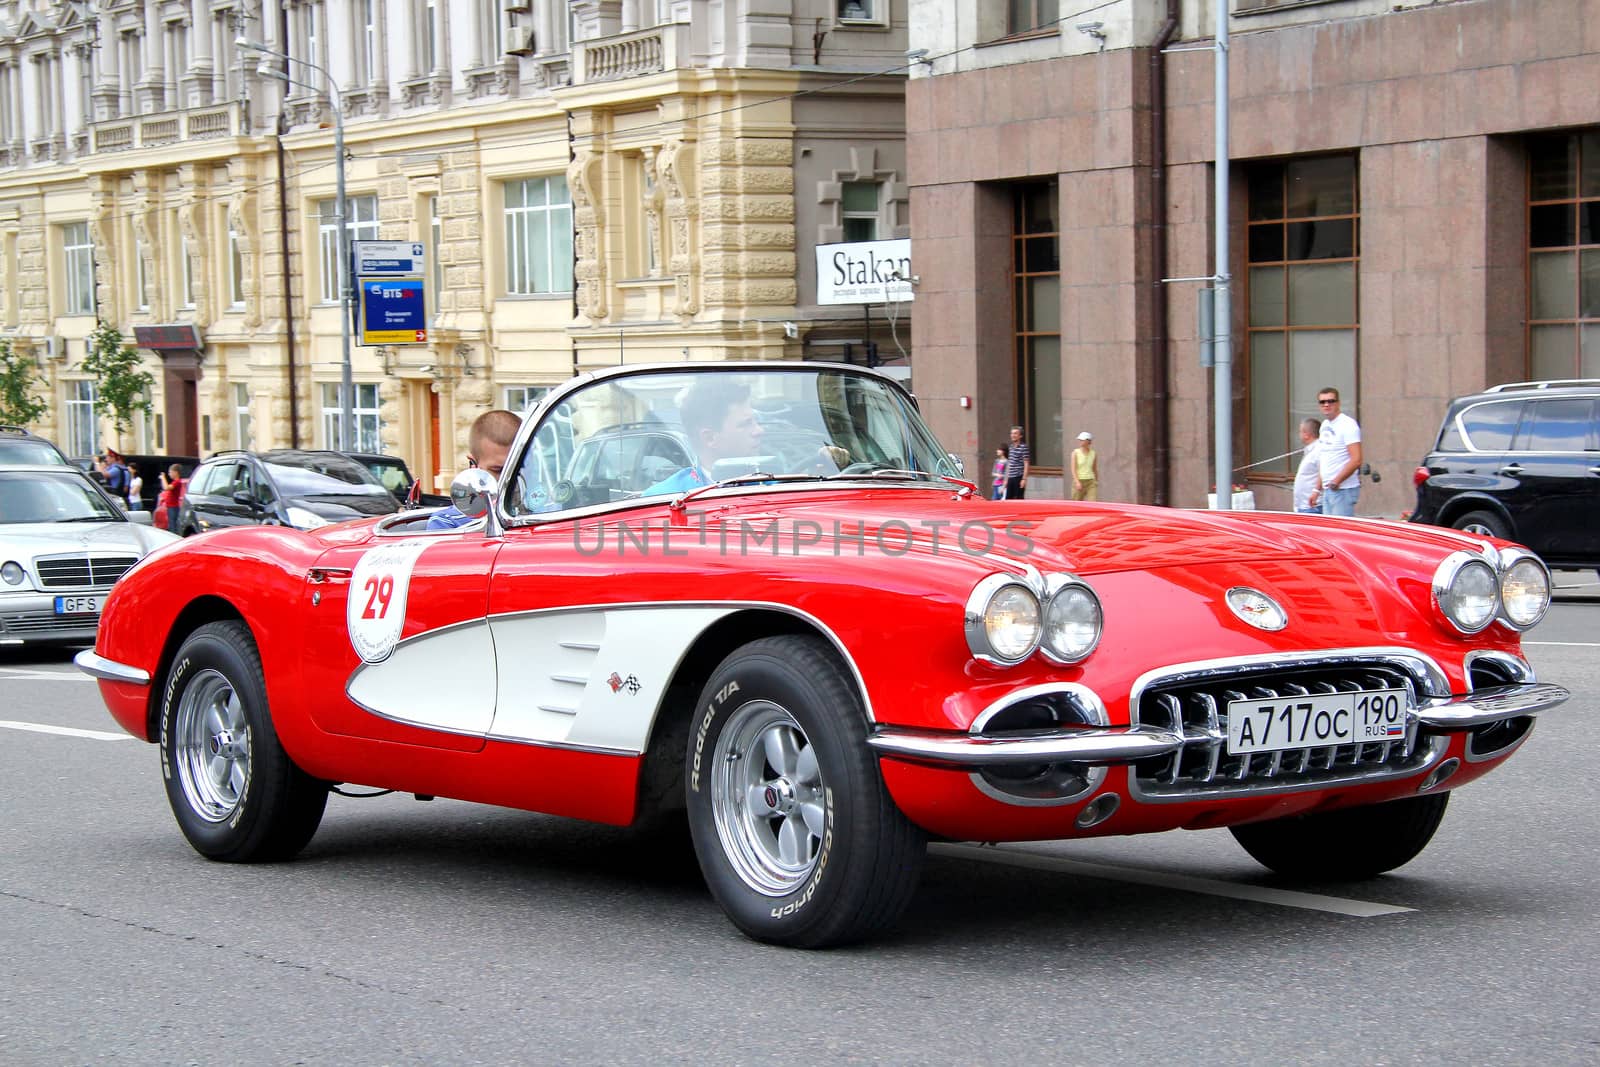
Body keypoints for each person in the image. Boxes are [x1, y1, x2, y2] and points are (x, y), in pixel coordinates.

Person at [645, 378, 766, 496]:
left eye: (756, 421)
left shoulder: (777, 486)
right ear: (710, 438)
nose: (759, 431)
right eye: (745, 424)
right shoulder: (664, 499)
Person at [427, 409, 522, 531]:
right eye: (498, 470)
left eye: (519, 469)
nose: (511, 479)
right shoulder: (447, 523)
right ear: (473, 465)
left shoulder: (542, 514)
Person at [1313, 387, 1362, 516]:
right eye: (1322, 402)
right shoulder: (1324, 425)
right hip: (1328, 489)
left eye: (1331, 401)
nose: (1326, 404)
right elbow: (1324, 459)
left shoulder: (1348, 424)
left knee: (1340, 534)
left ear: (1338, 403)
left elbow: (1356, 459)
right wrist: (1316, 490)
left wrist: (1336, 481)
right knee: (1328, 533)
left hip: (1343, 489)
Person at [1292, 417, 1322, 514]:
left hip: (1313, 505)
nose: (1299, 435)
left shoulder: (1319, 450)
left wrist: (1316, 491)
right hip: (1303, 505)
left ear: (1306, 434)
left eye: (1300, 432)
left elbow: (1323, 473)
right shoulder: (1310, 450)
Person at [1070, 431, 1098, 501]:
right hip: (1079, 481)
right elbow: (1073, 469)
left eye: (1082, 440)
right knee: (1076, 504)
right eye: (1079, 440)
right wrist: (1077, 482)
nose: (1080, 441)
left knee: (1093, 503)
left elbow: (1094, 468)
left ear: (1088, 441)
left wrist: (1096, 480)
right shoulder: (1075, 453)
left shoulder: (1093, 453)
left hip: (1091, 482)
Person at [1004, 425, 1030, 500]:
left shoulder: (1024, 447)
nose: (1013, 435)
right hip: (1011, 478)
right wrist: (1006, 479)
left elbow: (1026, 464)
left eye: (1015, 433)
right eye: (1011, 433)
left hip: (1019, 477)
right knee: (1008, 499)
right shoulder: (1011, 447)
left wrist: (1024, 479)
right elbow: (1010, 464)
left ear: (1020, 436)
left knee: (1019, 500)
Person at [158, 464, 185, 532]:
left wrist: (163, 478)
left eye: (170, 472)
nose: (169, 474)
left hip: (173, 507)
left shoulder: (177, 482)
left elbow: (166, 487)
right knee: (171, 524)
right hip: (171, 507)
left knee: (173, 526)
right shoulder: (175, 482)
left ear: (175, 472)